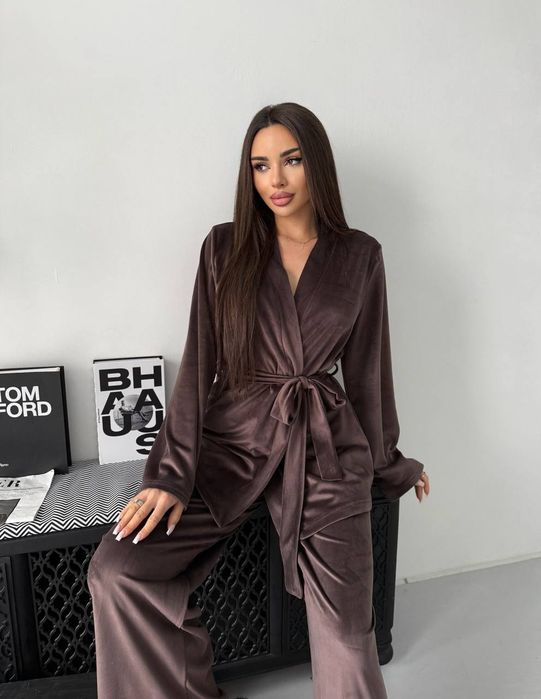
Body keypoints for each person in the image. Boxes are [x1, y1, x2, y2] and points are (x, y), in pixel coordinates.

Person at [87, 102, 430, 699]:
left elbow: (369, 376)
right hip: (230, 441)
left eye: (291, 160)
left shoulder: (360, 255)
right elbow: (199, 367)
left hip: (324, 449)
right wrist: (169, 475)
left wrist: (390, 464)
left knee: (350, 637)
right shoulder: (224, 248)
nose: (276, 179)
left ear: (316, 163)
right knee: (118, 571)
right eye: (260, 165)